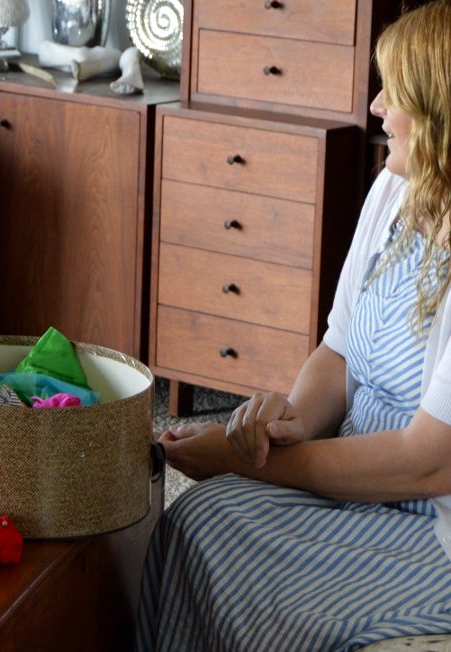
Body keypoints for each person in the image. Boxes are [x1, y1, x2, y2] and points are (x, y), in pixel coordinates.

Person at [137, 3, 451, 649]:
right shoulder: (396, 190)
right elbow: (338, 351)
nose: (375, 106)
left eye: (396, 92)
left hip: (429, 525)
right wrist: (292, 424)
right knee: (200, 515)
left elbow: (426, 465)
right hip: (357, 479)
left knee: (298, 616)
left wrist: (243, 461)